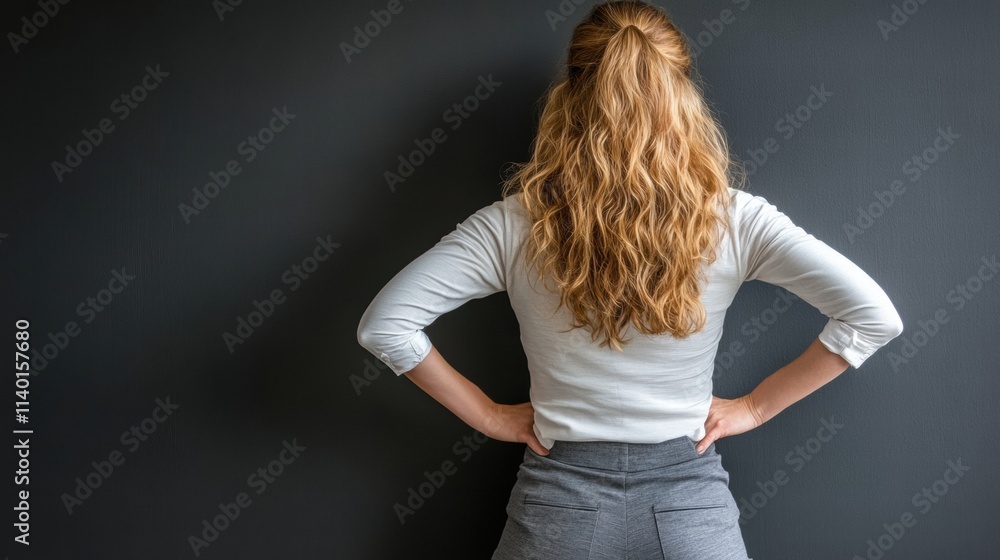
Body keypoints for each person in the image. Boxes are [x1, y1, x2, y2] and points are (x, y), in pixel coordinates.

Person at [356, 2, 904, 558]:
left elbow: (385, 327)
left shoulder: (513, 224)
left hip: (558, 506)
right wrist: (755, 407)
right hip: (691, 507)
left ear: (570, 96)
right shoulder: (736, 220)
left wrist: (490, 415)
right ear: (682, 94)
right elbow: (874, 318)